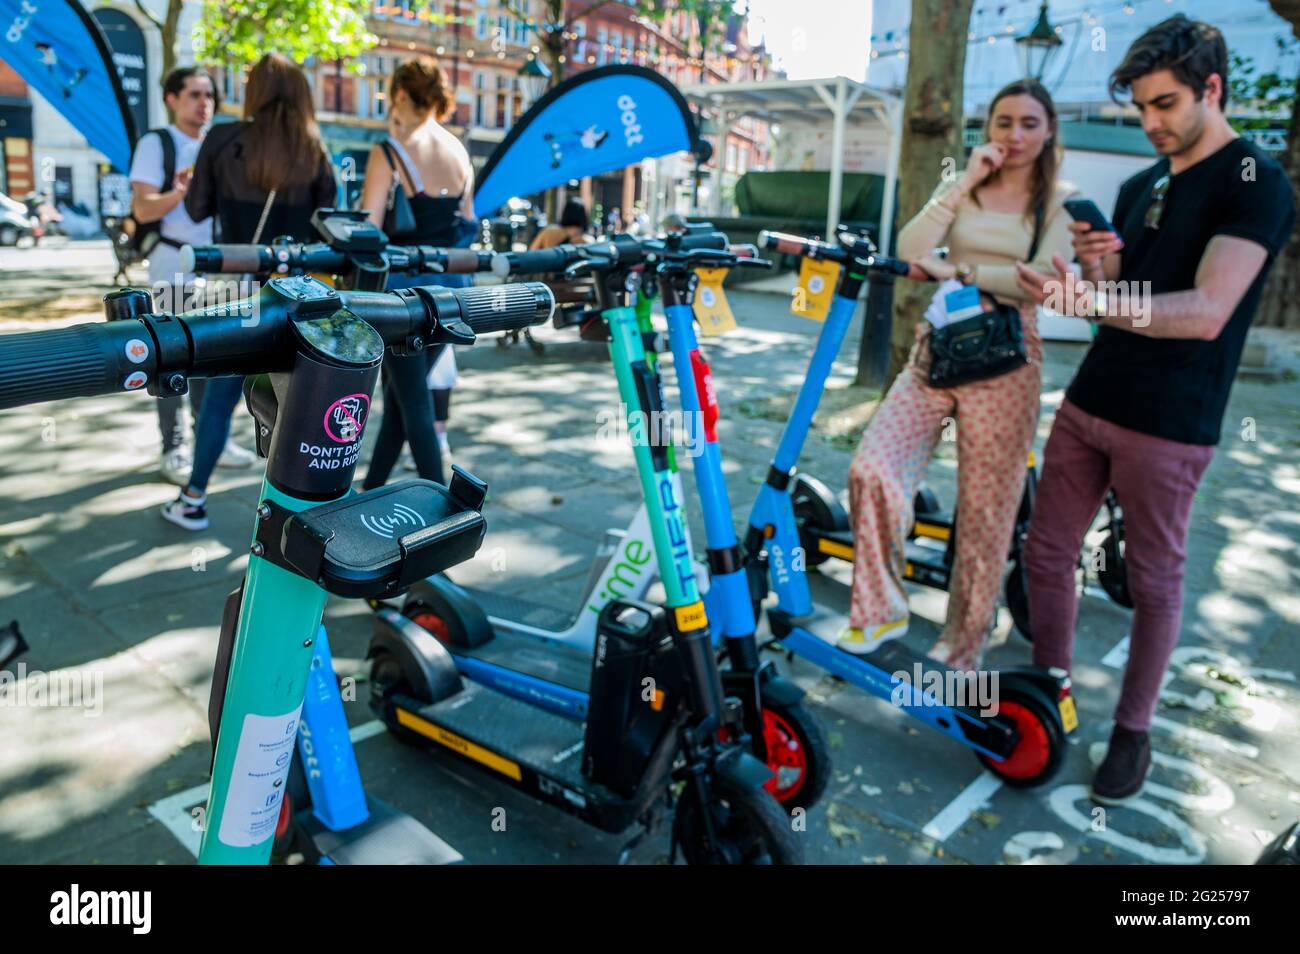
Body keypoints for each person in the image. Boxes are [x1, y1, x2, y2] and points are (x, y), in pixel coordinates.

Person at [1014, 16, 1295, 804]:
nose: (1151, 124)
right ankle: (1048, 693)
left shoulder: (1258, 182)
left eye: (1165, 104)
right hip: (1092, 401)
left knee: (1154, 579)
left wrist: (1095, 297)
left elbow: (1206, 309)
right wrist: (1103, 271)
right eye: (1140, 108)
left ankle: (1133, 730)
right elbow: (1133, 293)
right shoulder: (1145, 184)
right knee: (1045, 554)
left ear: (1212, 87)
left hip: (1172, 424)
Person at [841, 78, 1080, 669]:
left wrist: (961, 269)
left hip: (1007, 357)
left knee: (985, 514)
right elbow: (909, 247)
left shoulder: (1060, 200)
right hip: (941, 343)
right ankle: (881, 608)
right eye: (1004, 122)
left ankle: (962, 647)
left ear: (1049, 130)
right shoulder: (965, 184)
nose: (1016, 135)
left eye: (1029, 123)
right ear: (988, 128)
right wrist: (966, 182)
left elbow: (1040, 283)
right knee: (873, 469)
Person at [161, 53, 338, 530]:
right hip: (295, 299)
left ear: (255, 92)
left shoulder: (222, 138)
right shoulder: (314, 150)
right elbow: (330, 230)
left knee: (217, 402)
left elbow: (197, 212)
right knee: (296, 406)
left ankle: (194, 498)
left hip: (238, 297)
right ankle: (296, 514)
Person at [129, 67, 255, 484]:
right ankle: (175, 445)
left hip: (219, 268)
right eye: (194, 94)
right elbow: (143, 210)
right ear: (171, 98)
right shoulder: (157, 143)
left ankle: (209, 438)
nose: (205, 103)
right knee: (171, 356)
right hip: (173, 265)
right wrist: (182, 191)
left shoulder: (219, 145)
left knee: (213, 356)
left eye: (210, 96)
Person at [358, 56, 475, 490]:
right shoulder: (460, 151)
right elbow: (467, 223)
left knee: (414, 404)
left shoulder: (390, 151)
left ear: (402, 95)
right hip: (453, 297)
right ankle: (370, 492)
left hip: (402, 298)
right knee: (402, 401)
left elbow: (368, 231)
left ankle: (441, 517)